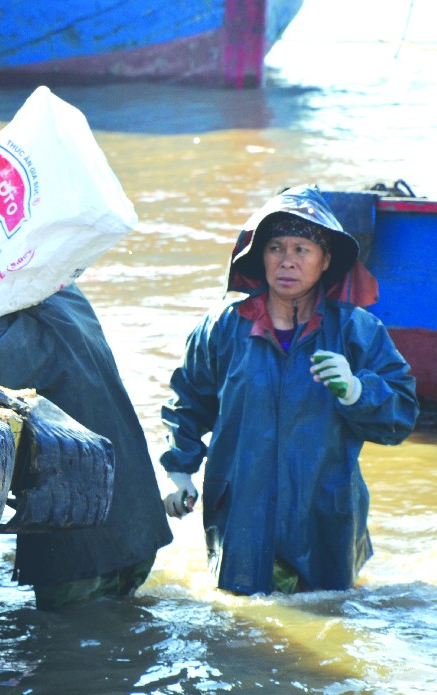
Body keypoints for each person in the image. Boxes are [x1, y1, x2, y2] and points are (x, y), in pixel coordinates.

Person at [158, 184, 419, 596]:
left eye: (302, 250)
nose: (287, 261)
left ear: (325, 260)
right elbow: (187, 403)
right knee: (240, 626)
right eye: (276, 247)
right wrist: (178, 472)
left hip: (325, 517)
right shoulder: (222, 327)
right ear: (259, 256)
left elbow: (401, 416)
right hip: (241, 516)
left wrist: (356, 390)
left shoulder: (356, 331)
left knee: (326, 619)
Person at [0, 283, 173, 610]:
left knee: (67, 640)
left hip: (81, 539)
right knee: (124, 625)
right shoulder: (66, 296)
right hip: (136, 526)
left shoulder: (35, 325)